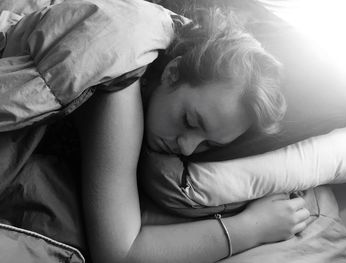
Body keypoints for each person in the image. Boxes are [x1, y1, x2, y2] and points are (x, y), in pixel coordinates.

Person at [73, 4, 312, 263]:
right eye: (189, 121)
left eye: (208, 143)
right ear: (172, 72)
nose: (187, 149)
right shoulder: (122, 87)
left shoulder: (186, 61)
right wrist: (254, 227)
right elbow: (120, 254)